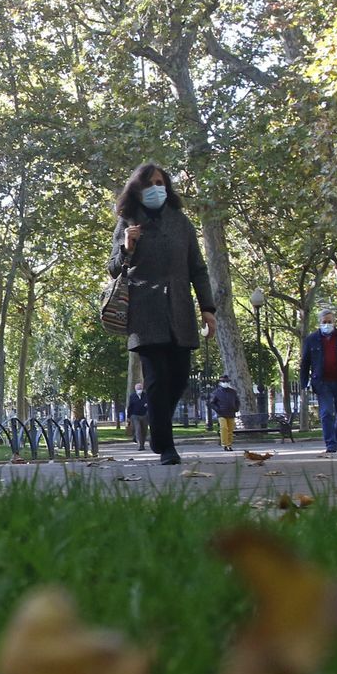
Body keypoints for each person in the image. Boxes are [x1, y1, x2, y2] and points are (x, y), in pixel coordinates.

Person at [108, 162, 217, 466]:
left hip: (180, 310)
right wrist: (127, 247)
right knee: (156, 379)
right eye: (150, 184)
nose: (157, 188)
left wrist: (207, 309)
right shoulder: (128, 221)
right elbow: (113, 268)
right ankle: (167, 447)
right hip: (145, 313)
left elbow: (198, 268)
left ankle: (157, 427)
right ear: (138, 189)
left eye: (161, 183)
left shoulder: (181, 223)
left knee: (179, 378)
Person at [298, 308, 337, 453]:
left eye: (330, 321)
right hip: (322, 383)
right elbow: (305, 363)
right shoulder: (311, 340)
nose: (327, 324)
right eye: (324, 322)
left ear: (334, 322)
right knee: (326, 413)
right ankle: (331, 444)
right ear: (319, 322)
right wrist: (304, 383)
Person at [208, 375, 240, 451]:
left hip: (231, 413)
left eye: (227, 381)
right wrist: (218, 409)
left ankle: (229, 445)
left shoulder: (233, 392)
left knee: (230, 430)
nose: (225, 383)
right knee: (224, 428)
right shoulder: (216, 392)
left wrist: (236, 408)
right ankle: (224, 444)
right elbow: (212, 403)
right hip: (221, 414)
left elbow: (237, 401)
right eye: (223, 381)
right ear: (220, 383)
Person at [127, 381, 149, 450]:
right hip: (135, 415)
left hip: (144, 415)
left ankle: (142, 444)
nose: (139, 389)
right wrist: (128, 416)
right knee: (138, 429)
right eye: (138, 388)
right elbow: (130, 406)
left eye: (140, 388)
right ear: (135, 389)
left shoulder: (146, 395)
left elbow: (150, 404)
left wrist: (147, 405)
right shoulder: (132, 396)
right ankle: (140, 446)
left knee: (144, 431)